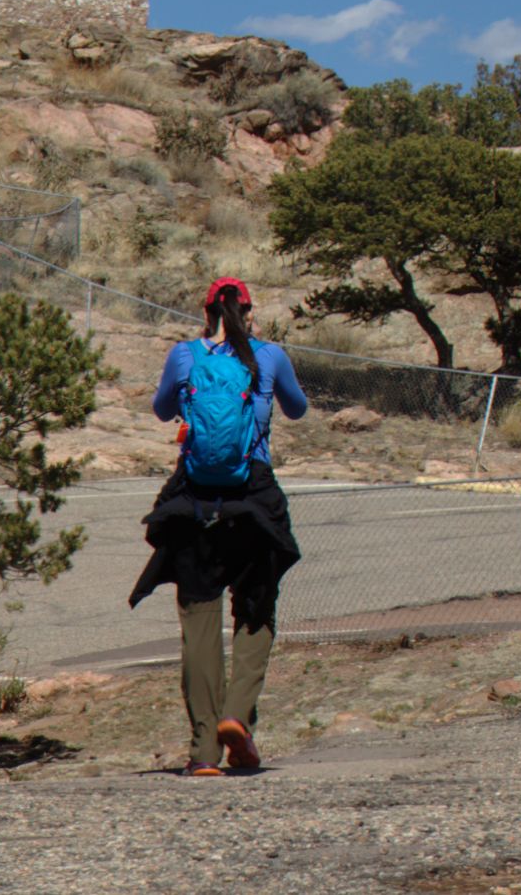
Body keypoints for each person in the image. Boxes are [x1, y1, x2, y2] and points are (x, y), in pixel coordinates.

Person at [129, 277, 308, 777]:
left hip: (195, 499)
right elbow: (298, 408)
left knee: (200, 620)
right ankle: (237, 715)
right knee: (256, 605)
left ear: (205, 313)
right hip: (252, 494)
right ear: (247, 312)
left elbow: (163, 410)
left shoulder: (185, 356)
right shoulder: (268, 357)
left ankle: (205, 751)